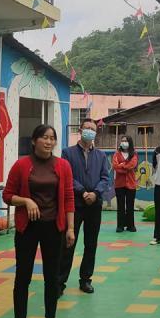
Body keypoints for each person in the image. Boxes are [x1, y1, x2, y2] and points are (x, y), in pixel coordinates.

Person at [3, 124, 75, 318]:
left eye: (52, 138)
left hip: (54, 227)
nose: (49, 142)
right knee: (22, 275)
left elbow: (69, 198)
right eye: (44, 137)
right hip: (28, 228)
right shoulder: (21, 165)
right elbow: (7, 195)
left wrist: (70, 228)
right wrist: (25, 200)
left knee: (52, 275)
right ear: (34, 141)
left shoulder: (63, 165)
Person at [59, 118, 109, 295]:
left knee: (91, 243)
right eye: (86, 128)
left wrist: (95, 193)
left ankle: (86, 279)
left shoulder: (101, 155)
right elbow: (67, 177)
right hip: (75, 205)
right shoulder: (67, 153)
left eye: (93, 129)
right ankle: (60, 282)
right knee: (68, 243)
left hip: (94, 205)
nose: (89, 131)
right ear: (80, 130)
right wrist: (83, 192)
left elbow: (105, 178)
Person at [112, 135, 138, 233]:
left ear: (130, 142)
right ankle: (120, 226)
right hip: (119, 184)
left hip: (131, 184)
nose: (124, 142)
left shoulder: (134, 154)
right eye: (122, 141)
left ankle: (131, 225)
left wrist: (122, 166)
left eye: (126, 141)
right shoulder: (116, 154)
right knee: (121, 206)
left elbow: (133, 165)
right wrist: (123, 167)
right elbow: (115, 166)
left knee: (130, 206)